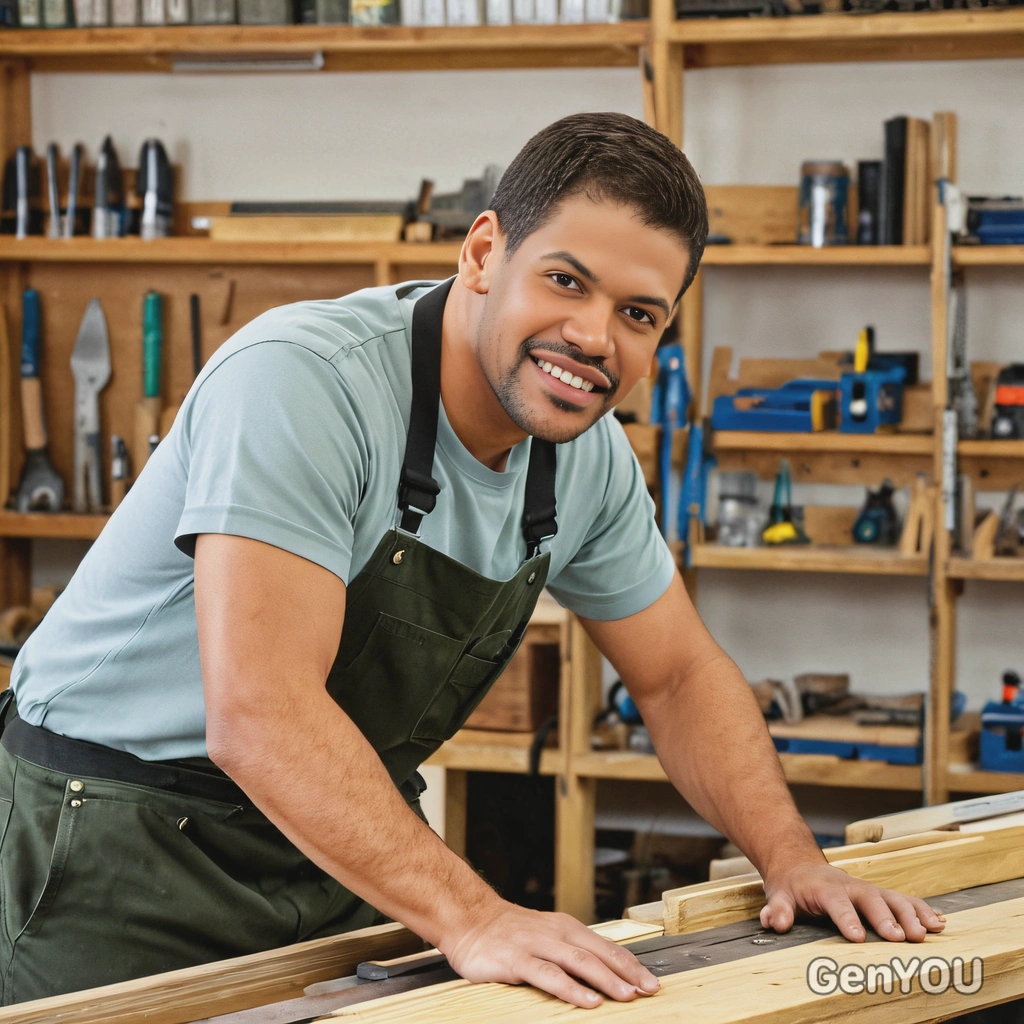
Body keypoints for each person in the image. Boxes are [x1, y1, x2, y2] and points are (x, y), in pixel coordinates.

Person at [0, 111, 944, 1008]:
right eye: (567, 281)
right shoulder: (304, 383)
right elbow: (258, 713)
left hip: (327, 847)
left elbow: (679, 675)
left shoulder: (586, 456)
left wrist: (792, 859)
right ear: (484, 251)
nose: (593, 338)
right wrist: (475, 915)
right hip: (109, 843)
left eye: (639, 314)